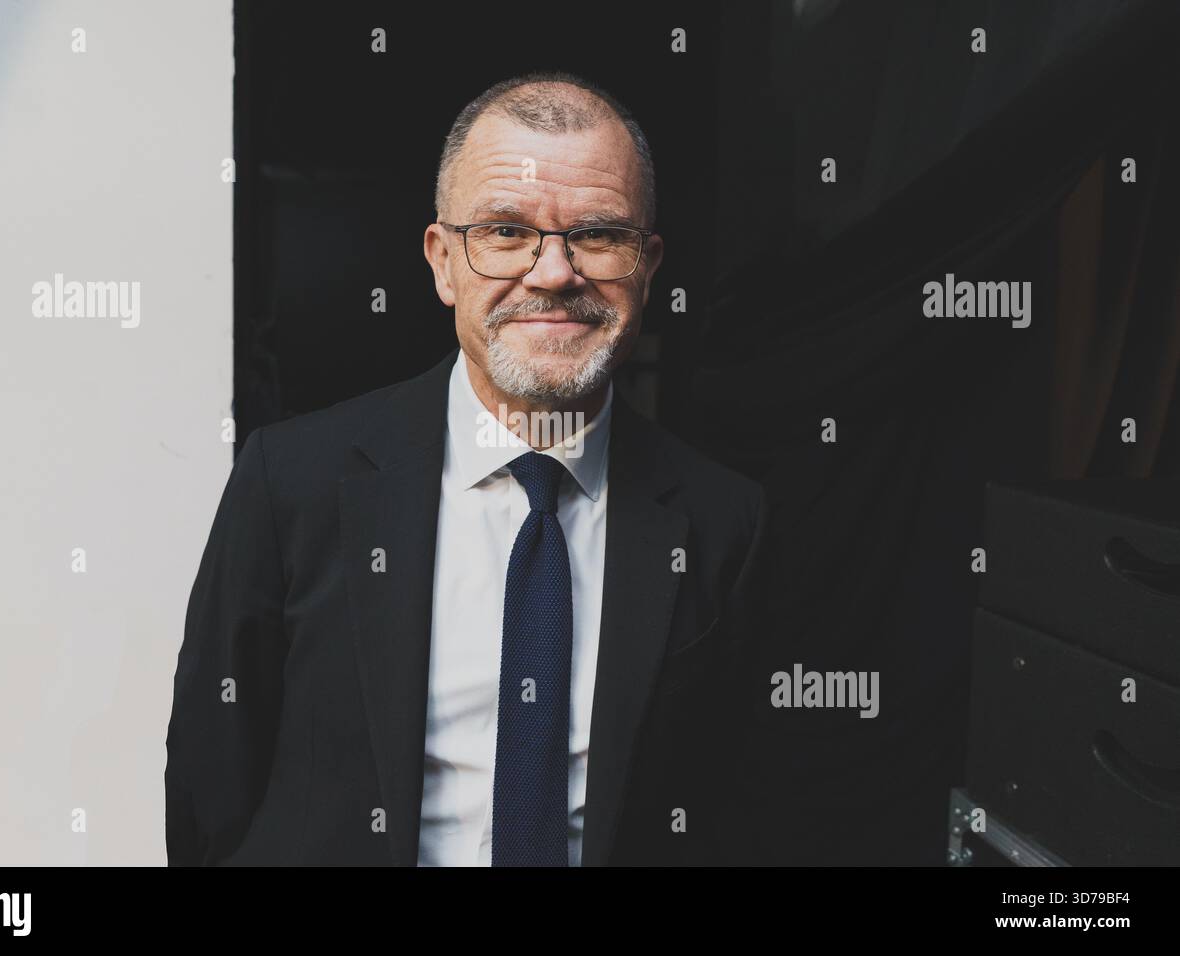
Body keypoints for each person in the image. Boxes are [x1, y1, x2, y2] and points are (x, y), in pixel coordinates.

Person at [165, 71, 768, 866]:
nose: (554, 273)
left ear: (647, 266)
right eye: (507, 232)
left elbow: (745, 811)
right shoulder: (293, 482)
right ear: (443, 260)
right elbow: (212, 789)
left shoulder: (725, 521)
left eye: (597, 235)